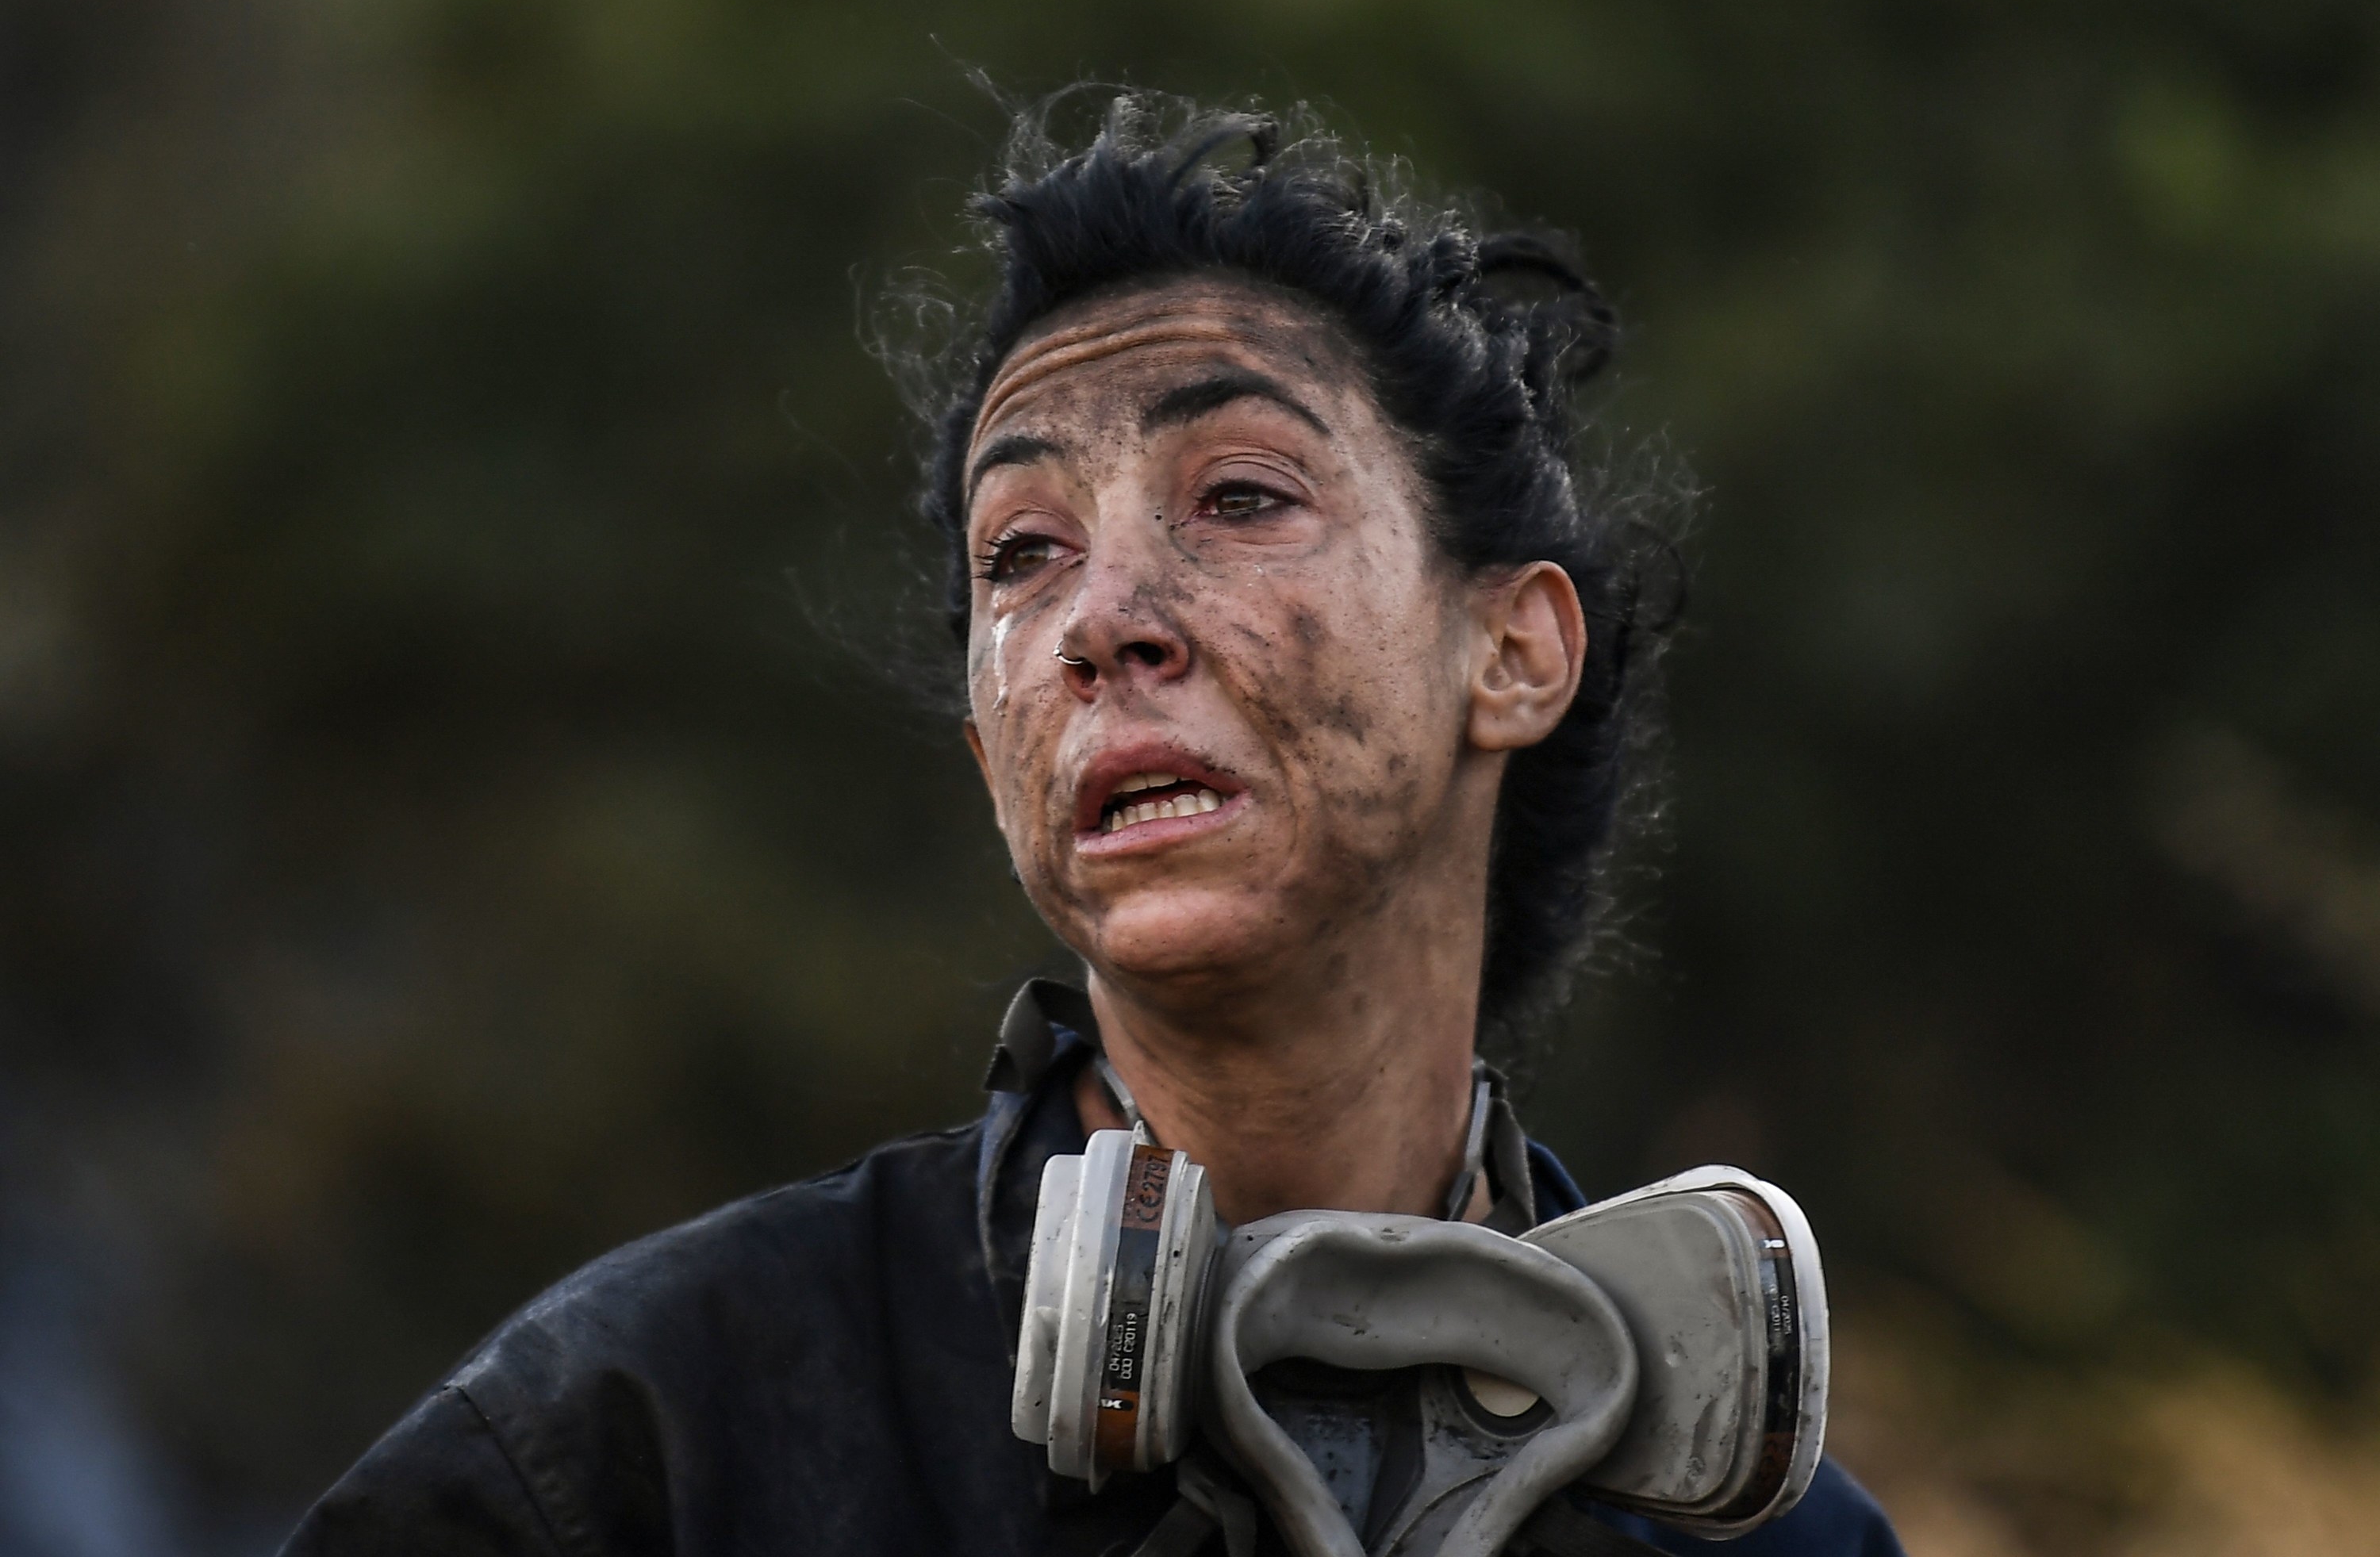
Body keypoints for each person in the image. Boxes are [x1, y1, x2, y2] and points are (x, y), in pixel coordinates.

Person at [281, 93, 1902, 1556]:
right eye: (1024, 552)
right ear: (991, 737)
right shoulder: (643, 1446)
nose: (1103, 620)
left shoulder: (1774, 1548)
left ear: (1515, 648)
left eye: (1242, 496)